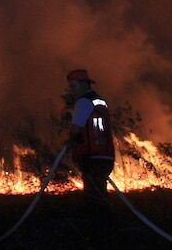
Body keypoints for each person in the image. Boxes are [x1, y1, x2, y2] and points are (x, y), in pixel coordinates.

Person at [66, 69, 115, 248]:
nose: (71, 90)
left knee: (94, 199)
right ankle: (105, 233)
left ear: (83, 84)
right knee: (100, 195)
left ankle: (99, 236)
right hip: (105, 155)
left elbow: (77, 129)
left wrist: (70, 141)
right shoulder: (99, 100)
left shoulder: (84, 102)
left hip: (92, 156)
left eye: (73, 86)